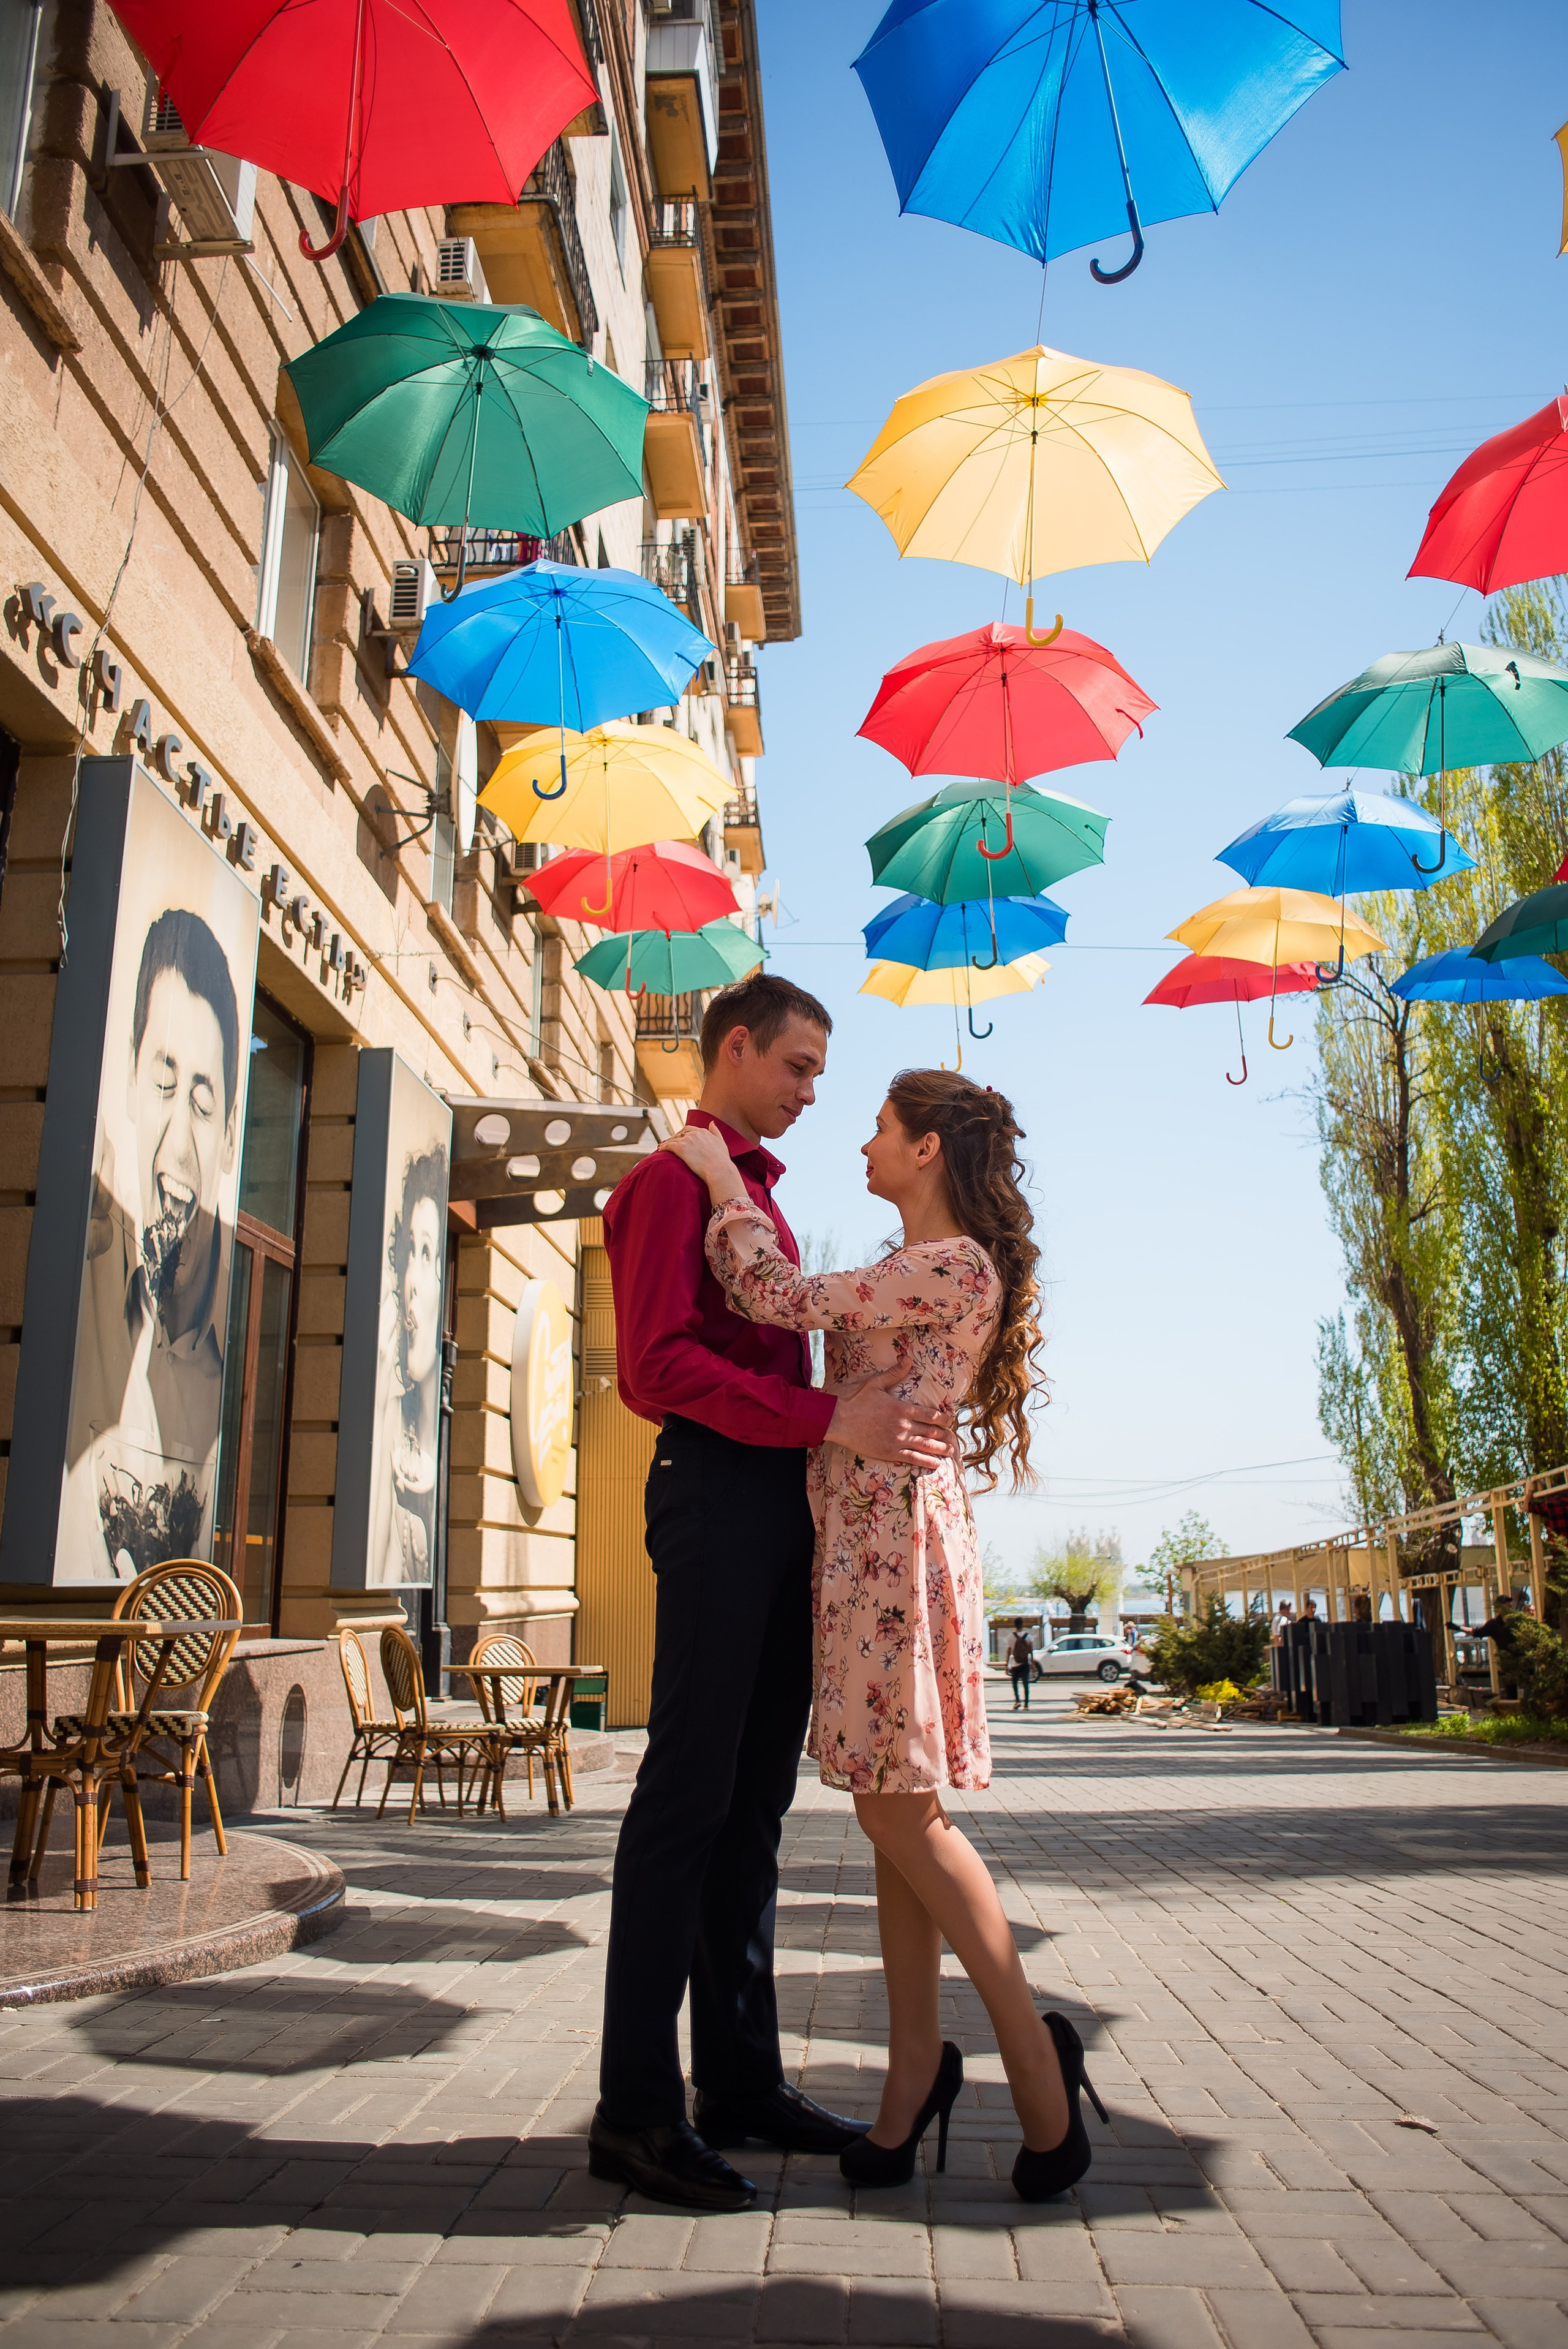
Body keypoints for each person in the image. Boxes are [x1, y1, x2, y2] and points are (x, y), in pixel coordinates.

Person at [663, 1069, 1107, 2208]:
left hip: (890, 1549)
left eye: (878, 1129)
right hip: (875, 1542)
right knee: (894, 1804)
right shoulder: (929, 1266)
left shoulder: (943, 1264)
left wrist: (719, 1176)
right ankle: (913, 2079)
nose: (860, 1142)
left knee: (896, 1808)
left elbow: (773, 1294)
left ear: (925, 1150)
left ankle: (1036, 2071)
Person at [590, 976, 953, 2214]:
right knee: (684, 1799)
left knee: (750, 1809)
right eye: (796, 1067)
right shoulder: (664, 1187)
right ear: (731, 1048)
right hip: (713, 1498)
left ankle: (736, 2084)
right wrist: (826, 1414)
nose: (811, 1092)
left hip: (776, 1507)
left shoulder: (752, 1201)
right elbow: (655, 1366)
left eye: (817, 1073)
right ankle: (634, 2113)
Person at [62, 907, 241, 1576]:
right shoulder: (81, 1262)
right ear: (132, 1087)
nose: (176, 1142)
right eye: (165, 1084)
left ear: (229, 1135)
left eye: (200, 1101)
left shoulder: (224, 1350)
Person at [368, 1147, 447, 1585]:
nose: (413, 1280)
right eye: (409, 1253)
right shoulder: (389, 1413)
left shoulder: (427, 1432)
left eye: (428, 1253)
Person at [1006, 1618, 1035, 1710]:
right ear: (1023, 1624)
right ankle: (1026, 1704)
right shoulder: (1028, 1636)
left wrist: (1006, 1664)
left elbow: (1009, 1651)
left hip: (1015, 1663)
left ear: (1015, 1625)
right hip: (1025, 1663)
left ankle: (1017, 1701)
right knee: (1026, 1683)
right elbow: (1031, 1651)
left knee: (1015, 1683)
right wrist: (1033, 1663)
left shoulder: (1011, 1637)